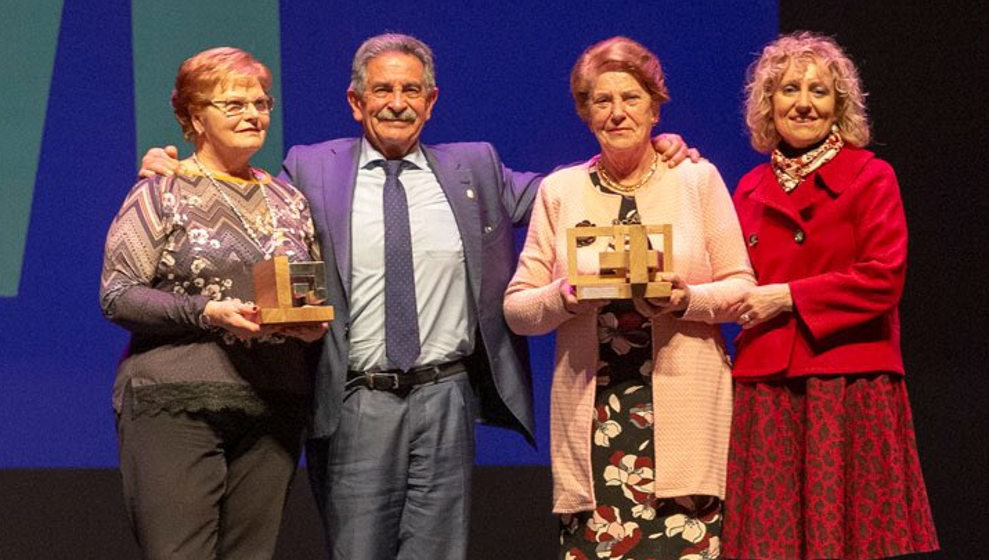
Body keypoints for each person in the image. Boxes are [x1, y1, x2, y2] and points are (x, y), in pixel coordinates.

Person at [139, 33, 694, 560]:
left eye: (411, 91)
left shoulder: (472, 166)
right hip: (357, 396)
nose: (397, 103)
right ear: (356, 102)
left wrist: (648, 150)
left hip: (445, 396)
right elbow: (242, 193)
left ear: (431, 102)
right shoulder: (311, 167)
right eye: (382, 90)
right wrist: (178, 167)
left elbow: (567, 196)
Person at [503, 36, 754, 560]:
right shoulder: (561, 190)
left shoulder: (696, 180)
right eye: (602, 100)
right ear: (585, 111)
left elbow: (741, 289)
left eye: (632, 98)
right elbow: (519, 309)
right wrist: (566, 295)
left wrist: (687, 299)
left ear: (655, 106)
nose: (618, 112)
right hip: (595, 417)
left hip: (682, 409)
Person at [100, 47, 326, 558]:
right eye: (234, 104)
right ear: (194, 116)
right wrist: (204, 311)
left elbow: (304, 294)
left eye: (262, 103)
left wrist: (309, 325)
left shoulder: (288, 200)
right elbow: (117, 295)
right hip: (175, 402)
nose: (253, 114)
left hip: (273, 402)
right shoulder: (161, 192)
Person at [724, 31, 939, 559]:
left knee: (851, 541)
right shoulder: (749, 187)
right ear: (767, 103)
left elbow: (884, 276)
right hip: (768, 382)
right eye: (789, 89)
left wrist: (789, 297)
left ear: (839, 105)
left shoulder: (871, 177)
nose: (803, 103)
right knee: (768, 544)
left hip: (849, 379)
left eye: (819, 91)